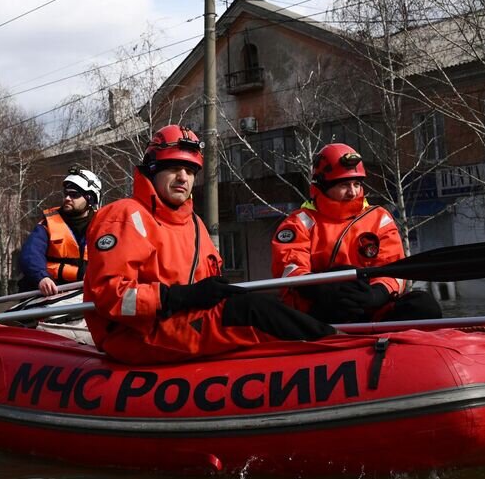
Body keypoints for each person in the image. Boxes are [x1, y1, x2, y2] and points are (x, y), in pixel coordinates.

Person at [84, 125, 334, 364]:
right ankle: (338, 349)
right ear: (152, 169)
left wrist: (207, 295)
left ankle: (334, 342)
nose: (183, 177)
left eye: (191, 171)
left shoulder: (193, 224)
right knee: (250, 311)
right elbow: (110, 297)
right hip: (137, 333)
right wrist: (177, 297)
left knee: (260, 304)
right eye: (174, 167)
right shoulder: (124, 216)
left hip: (180, 322)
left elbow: (209, 286)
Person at [271, 143, 443, 324]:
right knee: (342, 277)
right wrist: (327, 290)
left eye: (357, 184)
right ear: (322, 185)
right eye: (344, 185)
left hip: (369, 306)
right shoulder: (299, 223)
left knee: (424, 305)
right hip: (320, 311)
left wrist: (376, 294)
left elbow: (392, 269)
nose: (352, 192)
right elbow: (291, 270)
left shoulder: (379, 219)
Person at [18, 167, 102, 296]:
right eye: (66, 194)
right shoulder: (48, 223)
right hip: (52, 289)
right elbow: (30, 254)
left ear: (90, 198)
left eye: (74, 195)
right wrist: (42, 277)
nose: (67, 198)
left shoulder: (104, 224)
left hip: (88, 290)